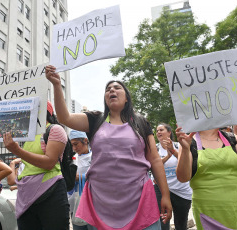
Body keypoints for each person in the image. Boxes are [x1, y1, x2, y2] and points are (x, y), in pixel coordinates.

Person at [46, 65, 172, 230]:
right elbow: (64, 117)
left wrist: (165, 195)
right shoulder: (94, 120)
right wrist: (56, 85)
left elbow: (155, 160)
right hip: (100, 202)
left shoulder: (141, 122)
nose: (112, 89)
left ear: (126, 97)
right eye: (108, 89)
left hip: (140, 200)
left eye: (117, 87)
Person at [175, 111, 237, 229]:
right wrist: (185, 149)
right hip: (211, 213)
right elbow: (183, 177)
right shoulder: (188, 142)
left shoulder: (232, 138)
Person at [3, 101, 70, 230]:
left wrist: (17, 150)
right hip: (25, 198)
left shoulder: (55, 129)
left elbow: (49, 162)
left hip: (50, 193)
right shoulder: (27, 136)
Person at [154, 124, 192, 230]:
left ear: (169, 132)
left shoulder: (179, 145)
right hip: (161, 190)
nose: (158, 132)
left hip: (181, 190)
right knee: (163, 223)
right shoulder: (155, 148)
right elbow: (154, 165)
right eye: (157, 131)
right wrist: (167, 157)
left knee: (181, 224)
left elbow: (186, 161)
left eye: (161, 130)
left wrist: (173, 151)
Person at [69, 130, 93, 230]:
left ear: (85, 140)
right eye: (72, 145)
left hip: (92, 203)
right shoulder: (72, 159)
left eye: (76, 144)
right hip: (75, 203)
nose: (74, 148)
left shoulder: (94, 157)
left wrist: (81, 177)